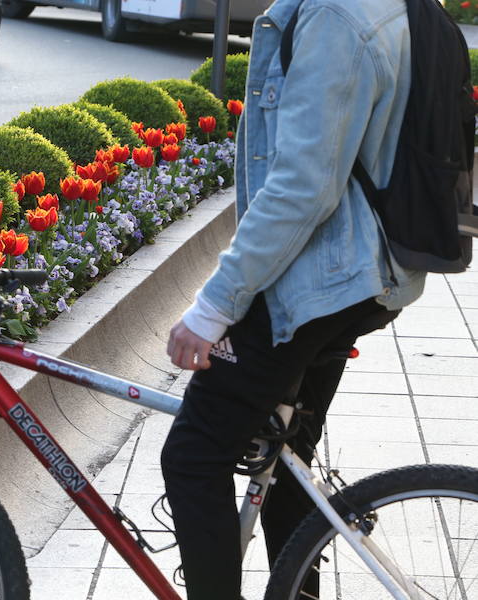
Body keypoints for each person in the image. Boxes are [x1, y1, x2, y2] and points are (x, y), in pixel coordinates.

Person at [160, 0, 423, 598]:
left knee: (195, 456)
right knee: (287, 471)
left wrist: (212, 308)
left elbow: (303, 187)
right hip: (364, 274)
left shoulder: (334, 16)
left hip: (321, 277)